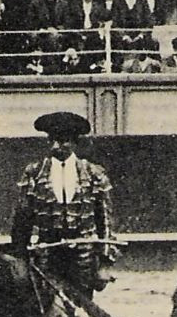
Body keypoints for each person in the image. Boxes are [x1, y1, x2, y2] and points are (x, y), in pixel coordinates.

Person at [9, 112, 119, 302]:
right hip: (47, 253)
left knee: (83, 307)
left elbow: (106, 221)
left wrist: (105, 264)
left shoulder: (94, 174)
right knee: (47, 305)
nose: (55, 146)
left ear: (74, 142)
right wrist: (20, 260)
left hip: (83, 255)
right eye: (52, 140)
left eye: (62, 141)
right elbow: (22, 221)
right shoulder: (34, 173)